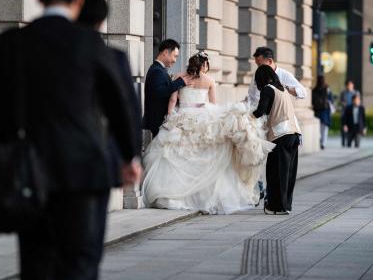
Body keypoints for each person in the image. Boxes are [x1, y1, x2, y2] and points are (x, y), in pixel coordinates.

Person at [0, 0, 141, 280]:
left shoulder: (8, 44)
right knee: (80, 261)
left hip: (27, 171)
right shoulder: (96, 47)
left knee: (36, 261)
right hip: (84, 172)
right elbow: (120, 105)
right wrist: (130, 156)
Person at [142, 53, 273, 214]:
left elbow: (172, 101)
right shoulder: (209, 81)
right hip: (203, 116)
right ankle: (201, 197)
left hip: (182, 116)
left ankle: (171, 195)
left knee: (178, 155)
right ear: (204, 65)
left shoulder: (179, 76)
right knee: (205, 156)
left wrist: (170, 118)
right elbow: (213, 104)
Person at [77, 0, 143, 186]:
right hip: (94, 160)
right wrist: (130, 156)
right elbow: (125, 109)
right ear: (102, 21)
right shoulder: (112, 57)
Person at [252, 65, 302, 215]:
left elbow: (260, 111)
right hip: (294, 134)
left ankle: (277, 206)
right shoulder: (282, 90)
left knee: (276, 172)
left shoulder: (268, 89)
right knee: (289, 173)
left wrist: (245, 117)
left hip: (281, 135)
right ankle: (286, 205)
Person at [142, 39, 191, 137]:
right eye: (174, 56)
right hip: (158, 119)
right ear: (165, 52)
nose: (175, 60)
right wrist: (180, 82)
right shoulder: (157, 71)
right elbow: (159, 92)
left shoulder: (159, 69)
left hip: (160, 119)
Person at [312, 75, 333, 149]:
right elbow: (331, 100)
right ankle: (323, 143)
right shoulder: (327, 89)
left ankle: (321, 142)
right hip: (324, 111)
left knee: (321, 128)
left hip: (319, 111)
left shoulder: (315, 90)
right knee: (324, 128)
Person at [339, 80, 361, 147]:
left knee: (353, 127)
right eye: (348, 85)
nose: (349, 86)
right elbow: (340, 101)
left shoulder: (356, 93)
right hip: (345, 112)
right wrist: (343, 104)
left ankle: (353, 141)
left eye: (351, 85)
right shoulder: (343, 93)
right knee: (344, 127)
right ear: (346, 86)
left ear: (353, 85)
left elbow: (358, 101)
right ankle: (343, 141)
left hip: (353, 112)